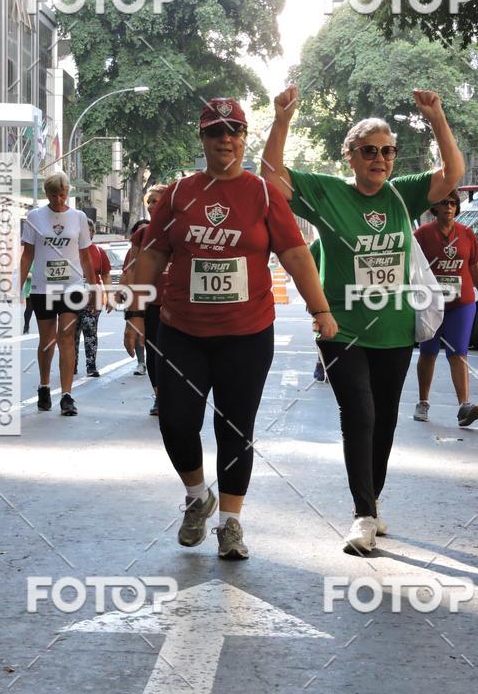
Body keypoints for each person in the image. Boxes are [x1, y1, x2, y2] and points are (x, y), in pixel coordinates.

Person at [125, 97, 337, 560]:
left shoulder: (263, 193)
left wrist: (320, 310)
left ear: (244, 137)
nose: (226, 139)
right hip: (181, 330)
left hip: (247, 332)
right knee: (177, 422)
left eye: (234, 130)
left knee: (235, 429)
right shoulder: (180, 193)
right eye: (215, 131)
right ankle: (197, 496)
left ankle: (231, 524)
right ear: (202, 138)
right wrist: (135, 313)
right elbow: (154, 255)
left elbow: (296, 254)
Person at [262, 85, 464, 554]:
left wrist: (436, 118)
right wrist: (282, 121)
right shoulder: (327, 192)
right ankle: (362, 515)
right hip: (341, 329)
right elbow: (271, 177)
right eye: (370, 151)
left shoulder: (402, 195)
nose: (381, 158)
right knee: (360, 414)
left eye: (388, 151)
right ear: (349, 156)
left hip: (394, 331)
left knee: (387, 421)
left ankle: (371, 502)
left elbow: (453, 173)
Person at [19, 172, 96, 416]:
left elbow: (85, 255)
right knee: (47, 339)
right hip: (43, 287)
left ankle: (66, 395)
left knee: (66, 337)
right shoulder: (34, 216)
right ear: (47, 193)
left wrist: (93, 288)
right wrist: (17, 286)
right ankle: (44, 385)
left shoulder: (79, 217)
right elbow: (27, 255)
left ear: (68, 192)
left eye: (63, 194)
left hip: (71, 286)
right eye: (54, 194)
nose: (59, 199)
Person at [413, 190, 478, 427]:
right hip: (431, 302)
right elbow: (412, 267)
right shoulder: (422, 235)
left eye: (453, 203)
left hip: (461, 303)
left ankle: (464, 406)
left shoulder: (467, 234)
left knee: (458, 352)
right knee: (428, 352)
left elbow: (473, 267)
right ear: (435, 207)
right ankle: (423, 402)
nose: (449, 207)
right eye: (444, 203)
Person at [123, 183, 170, 414]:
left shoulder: (181, 228)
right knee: (153, 351)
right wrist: (134, 310)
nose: (151, 205)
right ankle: (159, 397)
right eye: (149, 201)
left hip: (176, 304)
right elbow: (132, 270)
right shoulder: (142, 234)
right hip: (150, 303)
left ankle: (176, 396)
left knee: (175, 353)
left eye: (156, 200)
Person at [74, 219, 113, 377]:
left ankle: (91, 366)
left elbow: (106, 275)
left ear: (92, 233)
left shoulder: (98, 252)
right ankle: (71, 364)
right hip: (71, 298)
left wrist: (109, 296)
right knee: (70, 334)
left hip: (93, 299)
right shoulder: (69, 251)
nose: (84, 233)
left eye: (88, 230)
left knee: (90, 333)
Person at [121, 219, 151, 378]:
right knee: (138, 331)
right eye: (140, 231)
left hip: (156, 299)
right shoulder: (131, 253)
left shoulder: (160, 249)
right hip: (136, 297)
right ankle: (141, 362)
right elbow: (127, 273)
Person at [309, 238, 328, 383]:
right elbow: (306, 270)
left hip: (351, 297)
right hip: (322, 300)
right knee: (321, 333)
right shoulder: (319, 244)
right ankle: (321, 363)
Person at [22, 263, 34, 334]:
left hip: (43, 290)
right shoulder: (31, 262)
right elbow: (25, 274)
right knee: (29, 309)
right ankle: (26, 326)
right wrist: (36, 276)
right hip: (30, 289)